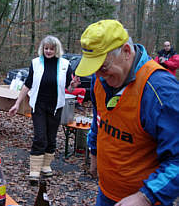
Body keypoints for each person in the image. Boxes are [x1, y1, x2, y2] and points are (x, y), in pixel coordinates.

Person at [75, 20, 179, 206]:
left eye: (104, 68)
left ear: (126, 51)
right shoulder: (100, 79)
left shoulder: (160, 91)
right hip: (106, 194)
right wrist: (94, 153)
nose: (99, 76)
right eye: (95, 69)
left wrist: (146, 196)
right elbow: (99, 120)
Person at [9, 35, 80, 184]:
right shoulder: (36, 63)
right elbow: (27, 84)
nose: (48, 51)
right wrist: (17, 103)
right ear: (43, 49)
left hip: (56, 107)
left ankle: (46, 165)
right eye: (46, 48)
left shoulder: (65, 65)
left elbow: (68, 87)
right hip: (39, 105)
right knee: (40, 137)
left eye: (51, 49)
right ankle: (34, 170)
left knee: (51, 137)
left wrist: (73, 85)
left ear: (57, 50)